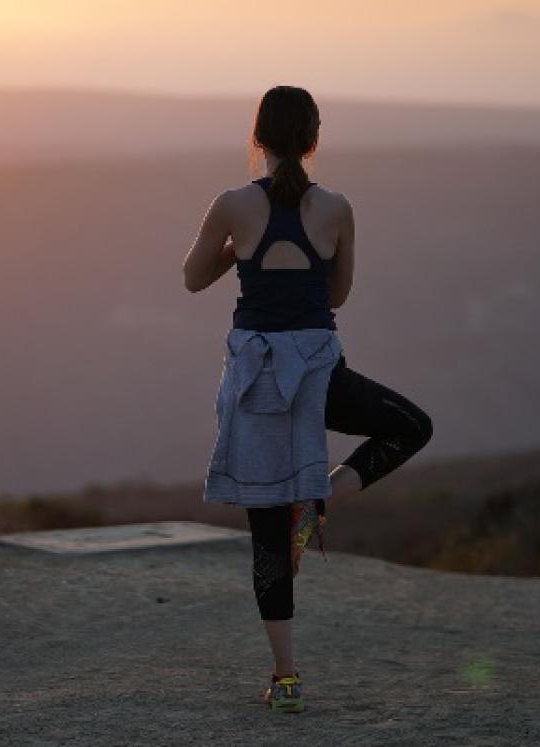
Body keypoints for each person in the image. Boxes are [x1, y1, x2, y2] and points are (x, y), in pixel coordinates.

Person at [182, 85, 433, 714]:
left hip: (256, 382)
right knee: (409, 426)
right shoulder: (338, 208)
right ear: (314, 138)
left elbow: (192, 278)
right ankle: (320, 498)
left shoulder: (232, 204)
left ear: (257, 136)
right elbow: (337, 295)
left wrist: (239, 248)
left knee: (267, 535)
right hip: (318, 374)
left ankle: (287, 678)